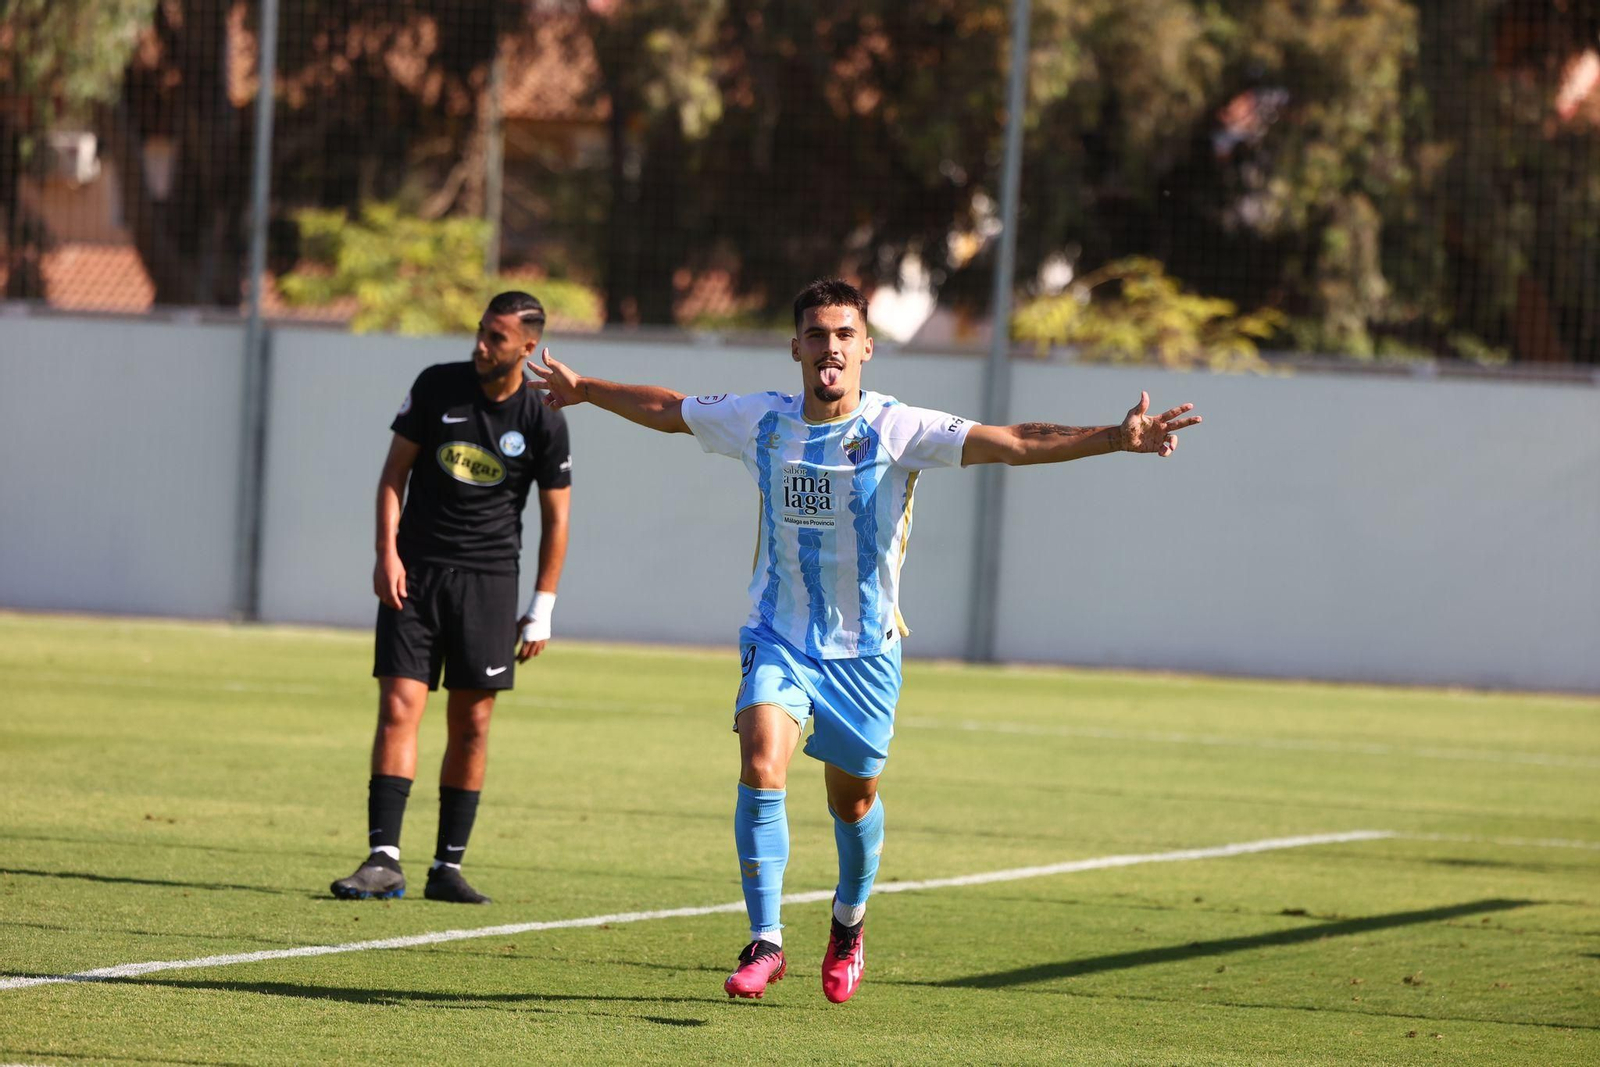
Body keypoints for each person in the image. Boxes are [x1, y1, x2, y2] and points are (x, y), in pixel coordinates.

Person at [525, 278, 1201, 1002]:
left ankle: (848, 922)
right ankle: (766, 940)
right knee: (761, 757)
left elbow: (1013, 442)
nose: (831, 348)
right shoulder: (762, 420)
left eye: (845, 335)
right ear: (795, 347)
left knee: (852, 802)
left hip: (866, 653)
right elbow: (671, 408)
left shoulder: (899, 428)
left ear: (867, 348)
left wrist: (1112, 438)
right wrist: (587, 388)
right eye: (817, 334)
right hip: (779, 635)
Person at [331, 290, 573, 905]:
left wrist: (542, 605)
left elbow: (557, 519)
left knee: (472, 723)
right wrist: (386, 553)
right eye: (481, 332)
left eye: (496, 337)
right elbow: (394, 477)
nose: (482, 344)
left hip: (490, 583)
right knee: (399, 706)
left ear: (526, 346)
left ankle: (447, 867)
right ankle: (383, 859)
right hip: (415, 576)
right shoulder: (437, 385)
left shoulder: (542, 417)